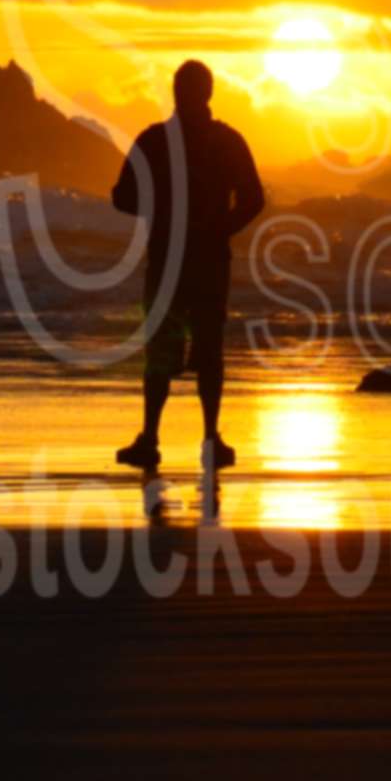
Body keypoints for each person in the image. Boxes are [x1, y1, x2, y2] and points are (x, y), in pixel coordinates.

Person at [110, 60, 264, 472]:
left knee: (164, 350)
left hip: (170, 259)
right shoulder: (224, 140)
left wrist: (163, 211)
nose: (184, 96)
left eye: (184, 89)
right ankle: (207, 440)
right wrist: (221, 229)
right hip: (207, 261)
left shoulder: (155, 141)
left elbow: (122, 197)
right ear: (208, 94)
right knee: (206, 351)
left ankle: (154, 438)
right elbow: (253, 199)